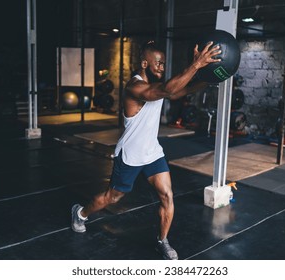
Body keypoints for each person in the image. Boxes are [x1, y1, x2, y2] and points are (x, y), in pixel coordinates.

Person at [71, 40, 221, 260]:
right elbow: (167, 89)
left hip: (152, 152)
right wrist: (196, 64)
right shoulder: (135, 87)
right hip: (130, 155)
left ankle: (163, 241)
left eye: (163, 64)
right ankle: (80, 213)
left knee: (167, 197)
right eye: (158, 63)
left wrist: (209, 79)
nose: (161, 67)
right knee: (112, 198)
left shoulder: (158, 88)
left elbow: (180, 90)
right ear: (144, 63)